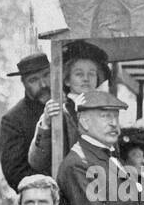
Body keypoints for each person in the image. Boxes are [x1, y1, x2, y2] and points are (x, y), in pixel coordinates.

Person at [27, 41, 112, 176]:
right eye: (79, 74)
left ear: (97, 79)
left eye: (91, 74)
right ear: (67, 80)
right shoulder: (60, 113)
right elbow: (36, 162)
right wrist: (45, 124)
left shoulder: (106, 114)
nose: (86, 79)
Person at [0, 53, 52, 191]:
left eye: (46, 75)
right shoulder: (12, 120)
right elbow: (15, 173)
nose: (43, 84)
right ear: (23, 82)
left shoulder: (70, 104)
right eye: (33, 80)